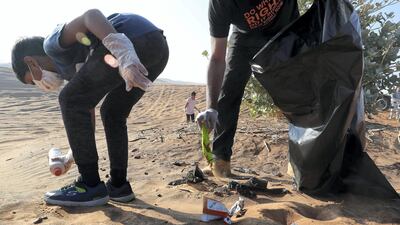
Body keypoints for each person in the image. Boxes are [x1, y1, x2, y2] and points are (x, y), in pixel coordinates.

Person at [11, 9, 169, 206]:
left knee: (69, 99)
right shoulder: (70, 72)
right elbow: (86, 112)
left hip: (133, 39)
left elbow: (91, 16)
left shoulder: (52, 44)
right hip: (158, 49)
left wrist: (123, 52)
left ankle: (89, 185)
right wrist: (73, 155)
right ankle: (119, 186)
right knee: (112, 112)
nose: (40, 85)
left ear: (30, 61)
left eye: (33, 81)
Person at [196, 0, 299, 177]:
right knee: (228, 92)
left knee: (297, 94)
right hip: (244, 38)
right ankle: (220, 161)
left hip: (286, 31)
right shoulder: (220, 4)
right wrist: (211, 108)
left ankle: (302, 163)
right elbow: (217, 58)